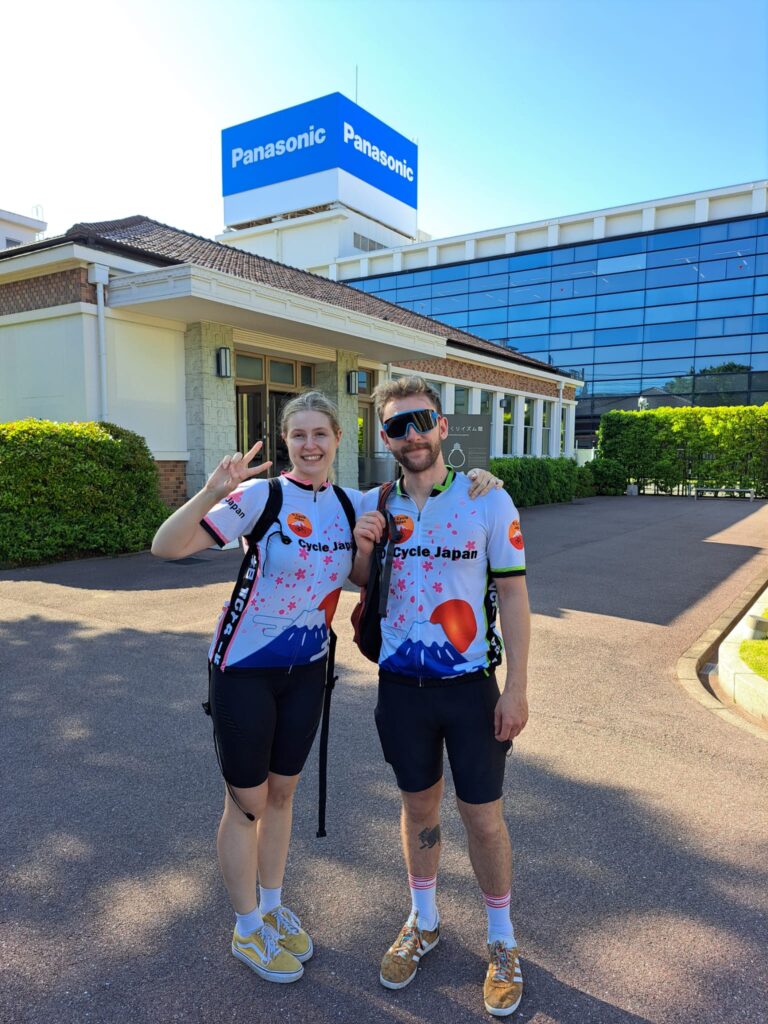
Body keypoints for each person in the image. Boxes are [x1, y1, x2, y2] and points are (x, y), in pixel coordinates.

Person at [151, 389, 502, 986]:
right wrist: (213, 490)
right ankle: (245, 930)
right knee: (247, 802)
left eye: (321, 434)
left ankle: (270, 907)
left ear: (340, 439)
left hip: (310, 668)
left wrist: (481, 478)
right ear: (286, 441)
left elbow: (371, 571)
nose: (310, 444)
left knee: (282, 795)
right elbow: (168, 547)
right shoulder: (261, 496)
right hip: (244, 669)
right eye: (298, 435)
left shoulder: (352, 503)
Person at [351, 376, 530, 1018]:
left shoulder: (487, 500)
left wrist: (517, 687)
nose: (412, 435)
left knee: (483, 818)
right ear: (385, 436)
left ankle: (503, 942)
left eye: (421, 421)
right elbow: (359, 582)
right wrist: (362, 544)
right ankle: (423, 921)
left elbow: (513, 595)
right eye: (397, 426)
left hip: (471, 692)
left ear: (442, 426)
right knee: (418, 809)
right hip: (401, 688)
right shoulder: (374, 503)